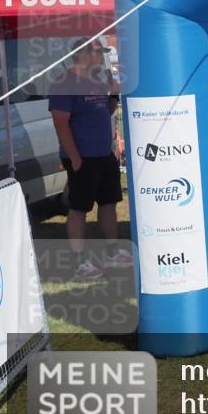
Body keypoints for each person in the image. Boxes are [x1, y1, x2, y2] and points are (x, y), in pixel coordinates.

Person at [48, 39, 131, 280]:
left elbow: (105, 112)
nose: (102, 57)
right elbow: (60, 122)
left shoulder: (95, 81)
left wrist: (114, 93)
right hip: (82, 157)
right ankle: (79, 262)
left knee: (109, 203)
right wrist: (74, 157)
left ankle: (112, 252)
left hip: (104, 154)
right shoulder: (64, 83)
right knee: (79, 208)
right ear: (84, 54)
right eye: (99, 52)